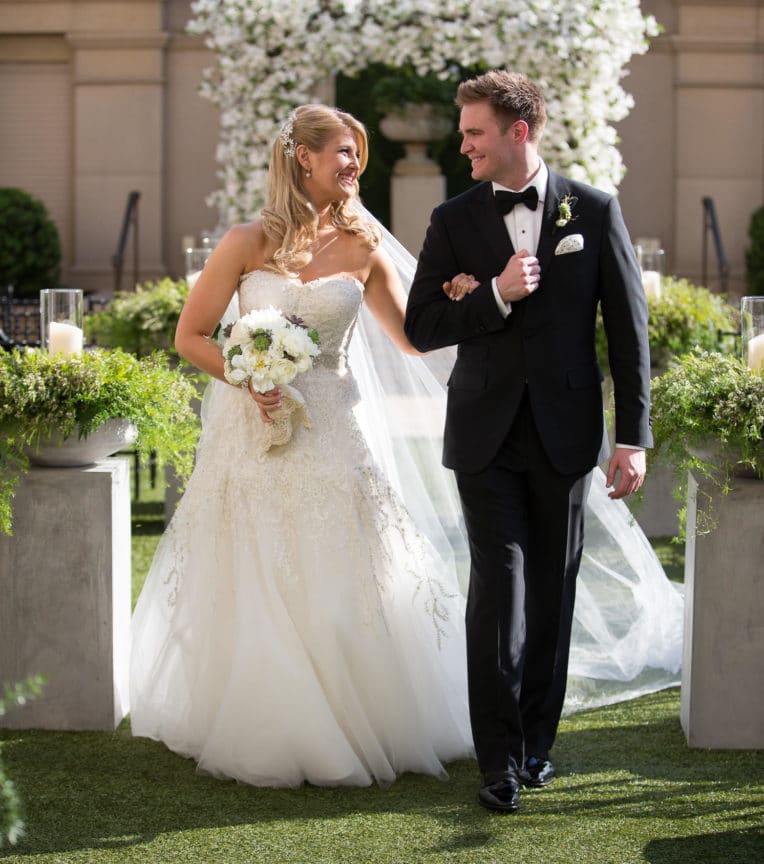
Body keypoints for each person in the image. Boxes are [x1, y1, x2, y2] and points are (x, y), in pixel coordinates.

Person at [129, 104, 474, 787]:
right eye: (344, 152)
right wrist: (246, 375)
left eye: (357, 155)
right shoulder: (246, 242)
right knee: (253, 567)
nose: (353, 165)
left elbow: (413, 337)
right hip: (252, 431)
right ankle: (262, 719)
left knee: (341, 567)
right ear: (303, 158)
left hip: (332, 428)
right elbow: (192, 335)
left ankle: (356, 715)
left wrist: (465, 298)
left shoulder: (365, 245)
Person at [404, 70, 654, 814]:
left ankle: (536, 747)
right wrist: (492, 296)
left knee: (551, 593)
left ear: (519, 132)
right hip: (482, 435)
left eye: (474, 131)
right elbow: (421, 326)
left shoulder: (596, 211)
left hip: (566, 434)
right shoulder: (452, 220)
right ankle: (497, 762)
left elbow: (629, 338)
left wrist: (633, 438)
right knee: (498, 592)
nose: (464, 143)